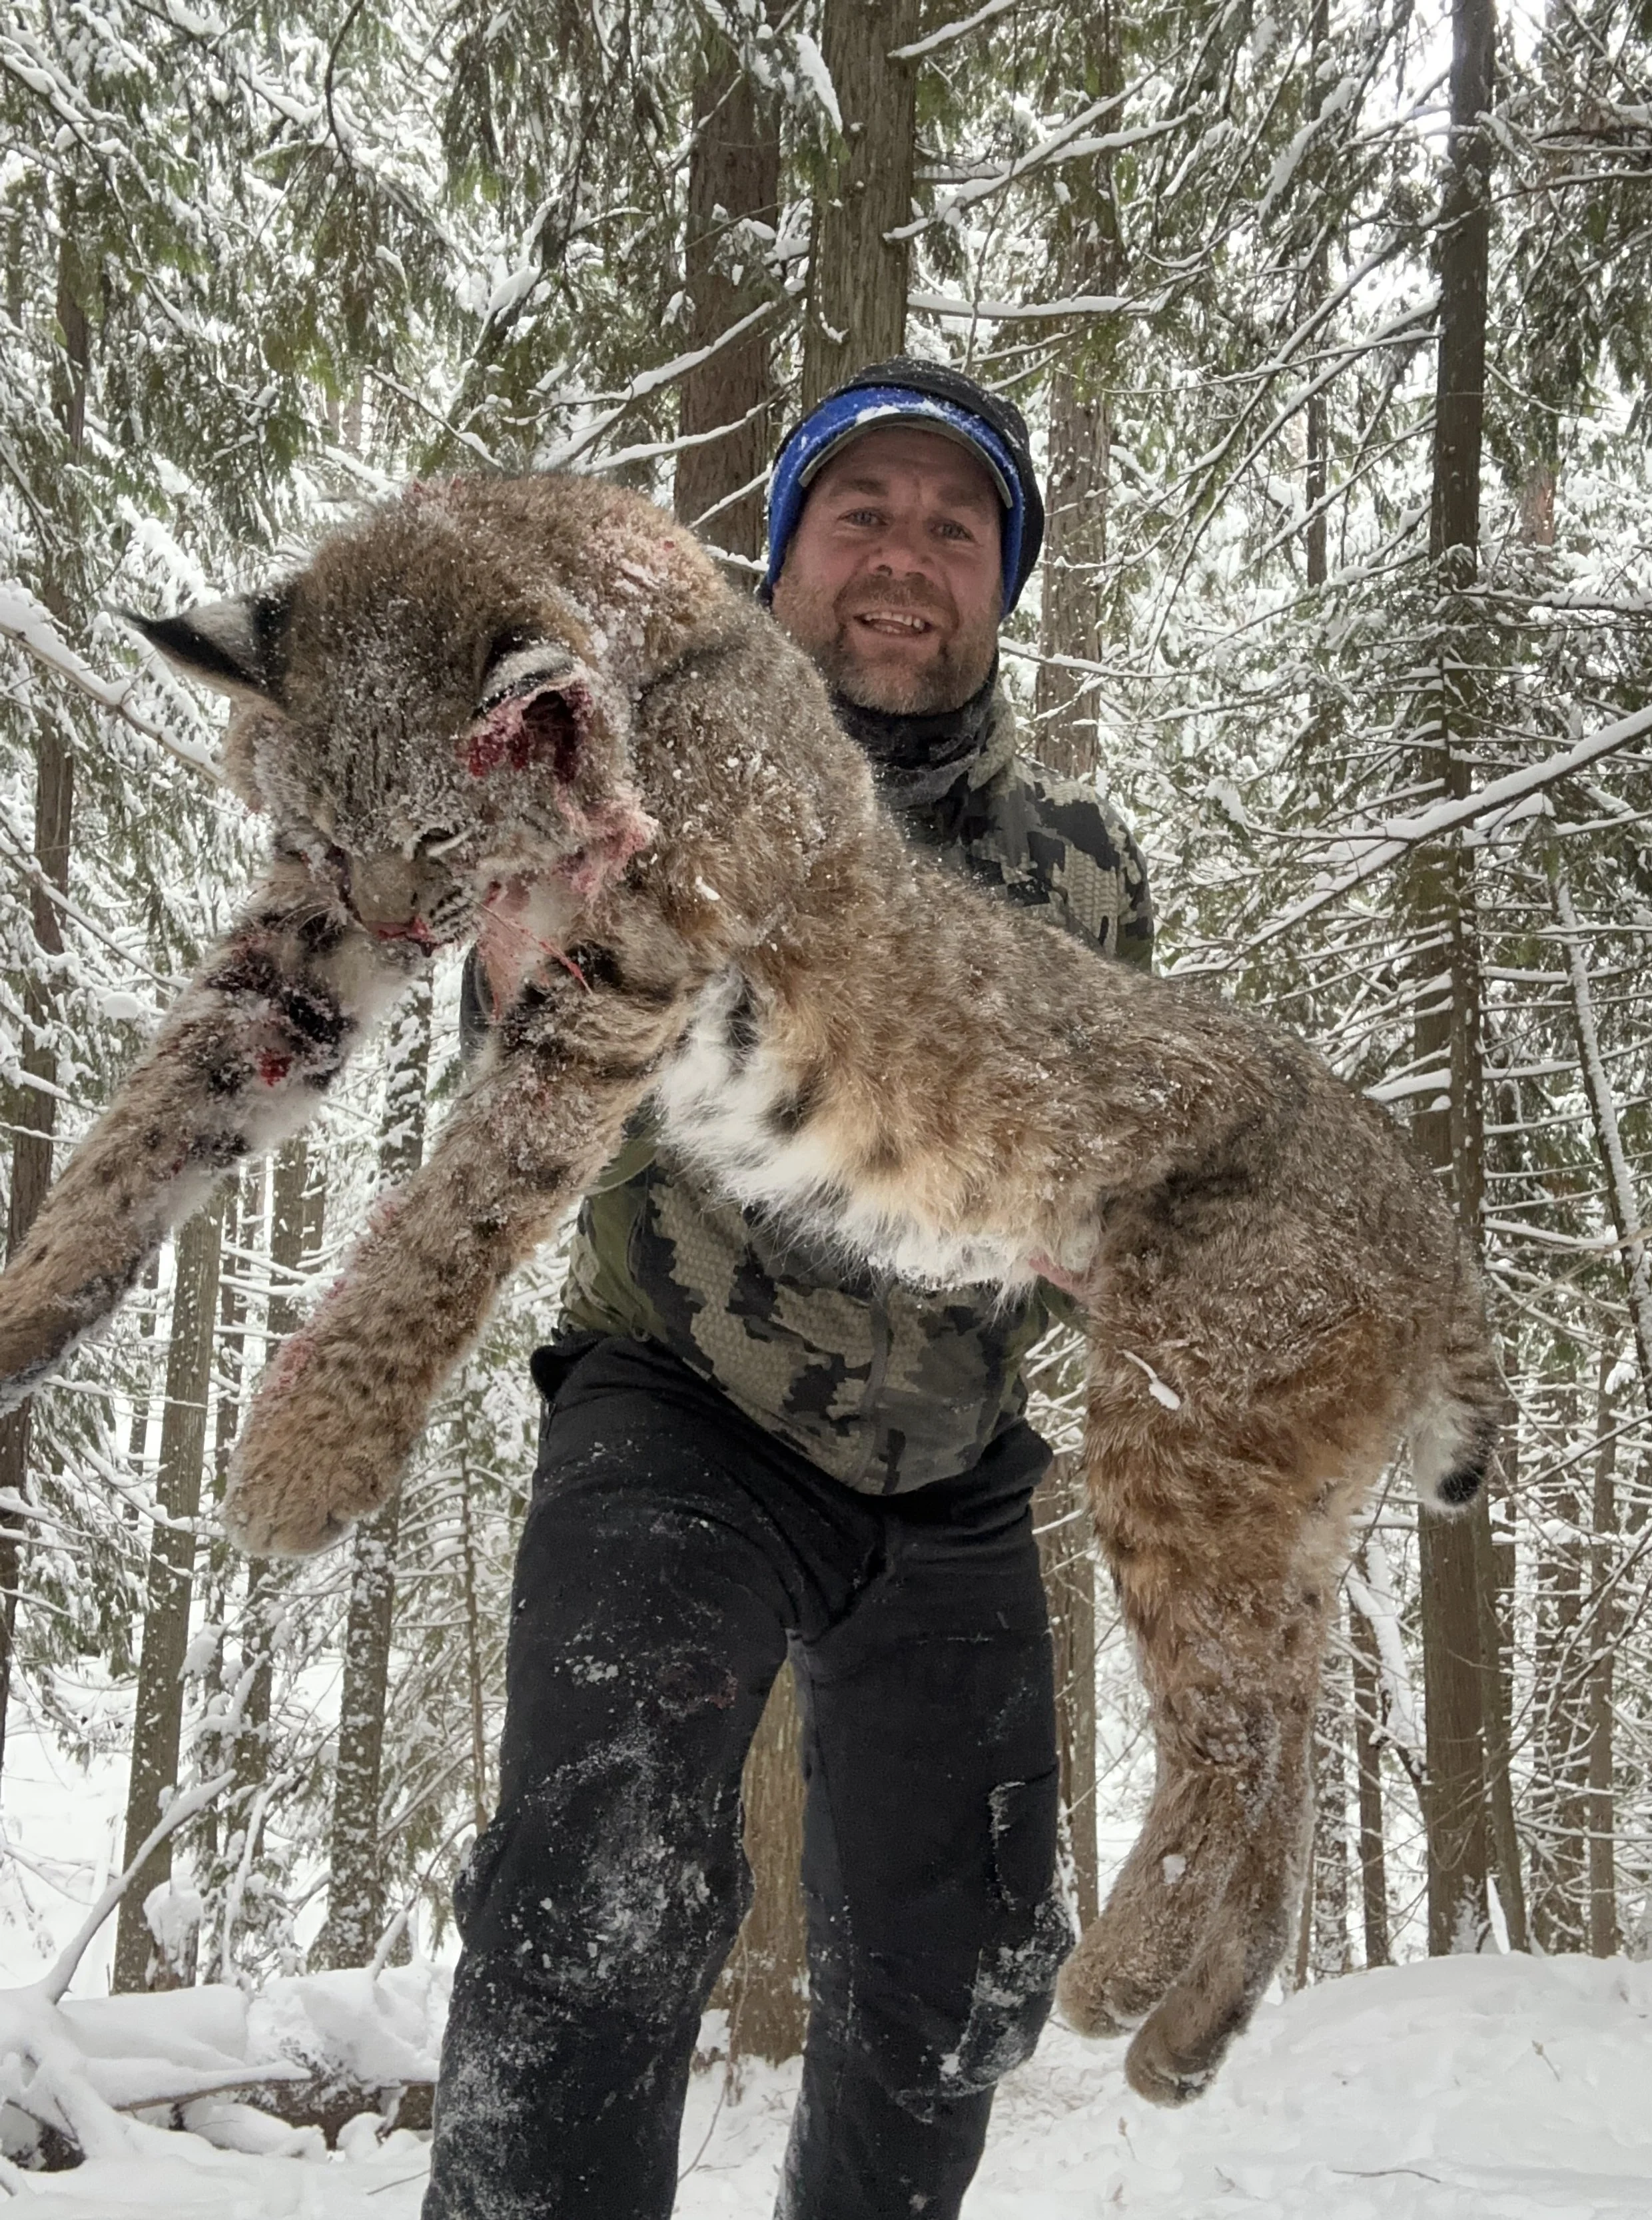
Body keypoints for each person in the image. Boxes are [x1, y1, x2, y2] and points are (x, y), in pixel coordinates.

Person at [424, 360, 1153, 2220]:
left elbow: (1100, 1181)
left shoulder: (1083, 872)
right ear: (784, 553)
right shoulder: (643, 779)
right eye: (863, 515)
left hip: (955, 1461)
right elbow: (525, 1047)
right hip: (682, 1410)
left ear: (1001, 579)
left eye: (953, 525)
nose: (906, 558)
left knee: (973, 1970)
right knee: (598, 1888)